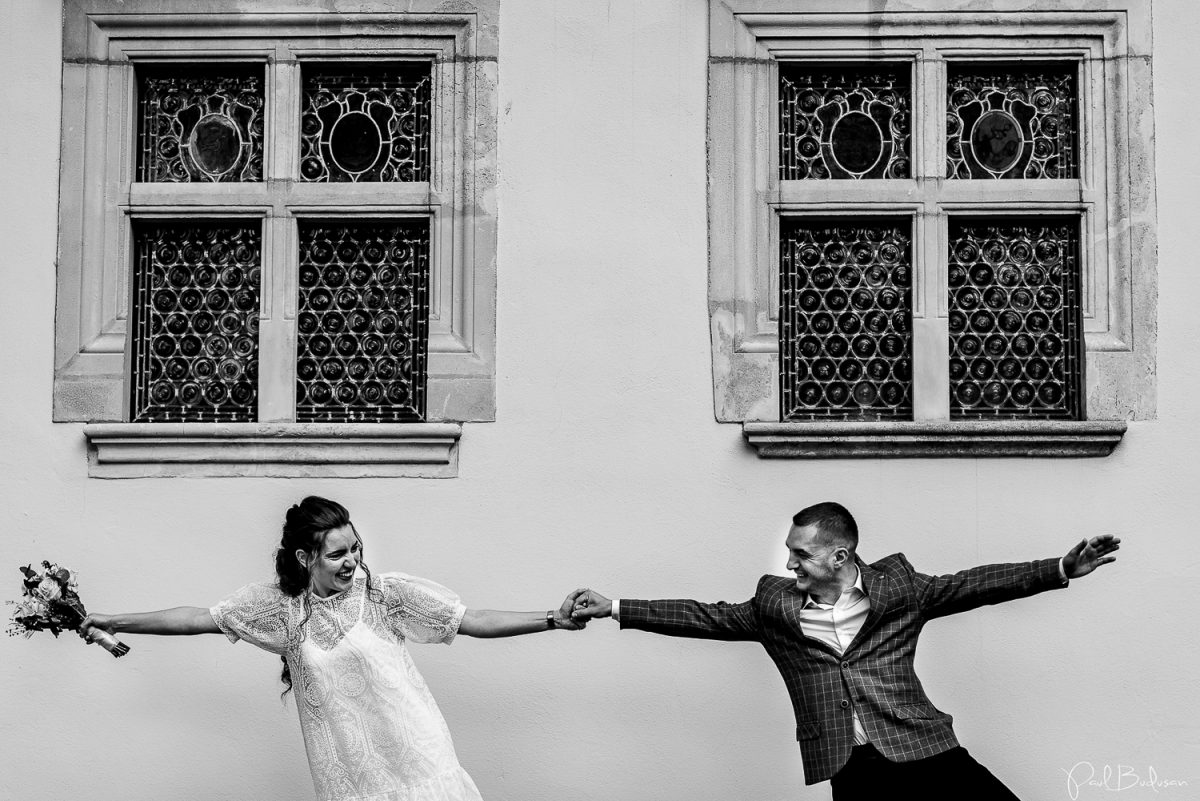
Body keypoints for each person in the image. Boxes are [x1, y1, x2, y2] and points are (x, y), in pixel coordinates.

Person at [570, 501, 1120, 801]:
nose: (789, 564)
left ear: (840, 556)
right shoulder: (774, 607)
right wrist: (615, 606)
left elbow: (972, 583)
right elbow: (702, 616)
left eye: (801, 555)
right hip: (852, 765)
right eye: (789, 553)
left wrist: (1059, 569)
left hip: (922, 748)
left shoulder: (899, 588)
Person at [80, 496, 589, 801]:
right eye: (338, 553)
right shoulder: (281, 608)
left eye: (355, 549)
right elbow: (198, 618)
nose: (352, 562)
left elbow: (471, 619)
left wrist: (553, 619)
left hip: (419, 770)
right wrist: (111, 618)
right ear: (306, 557)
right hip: (348, 779)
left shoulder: (384, 594)